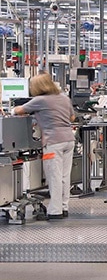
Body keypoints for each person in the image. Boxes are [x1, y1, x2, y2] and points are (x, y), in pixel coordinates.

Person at [12, 73, 75, 220]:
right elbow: (72, 117)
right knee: (65, 176)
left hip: (53, 142)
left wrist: (13, 110)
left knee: (54, 176)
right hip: (69, 140)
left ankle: (55, 211)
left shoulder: (40, 100)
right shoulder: (64, 98)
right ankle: (64, 207)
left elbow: (19, 110)